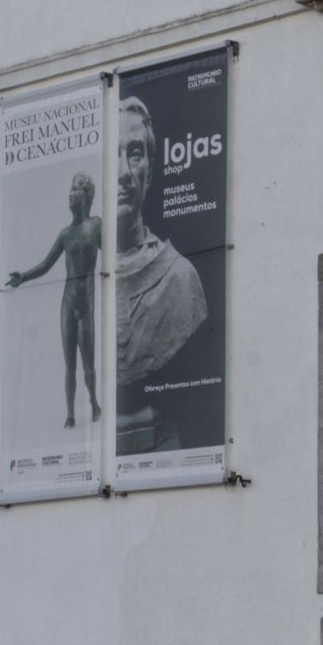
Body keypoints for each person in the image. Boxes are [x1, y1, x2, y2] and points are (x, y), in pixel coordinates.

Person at [111, 95, 218, 454]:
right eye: (111, 154)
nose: (123, 172)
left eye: (135, 154)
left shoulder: (180, 280)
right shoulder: (80, 283)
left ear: (150, 170)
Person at [5, 171, 102, 428]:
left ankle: (93, 401)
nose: (70, 194)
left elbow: (113, 254)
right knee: (69, 363)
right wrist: (22, 277)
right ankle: (70, 414)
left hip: (87, 303)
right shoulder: (65, 234)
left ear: (87, 195)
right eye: (70, 189)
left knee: (88, 364)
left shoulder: (95, 226)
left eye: (76, 190)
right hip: (68, 305)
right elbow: (47, 265)